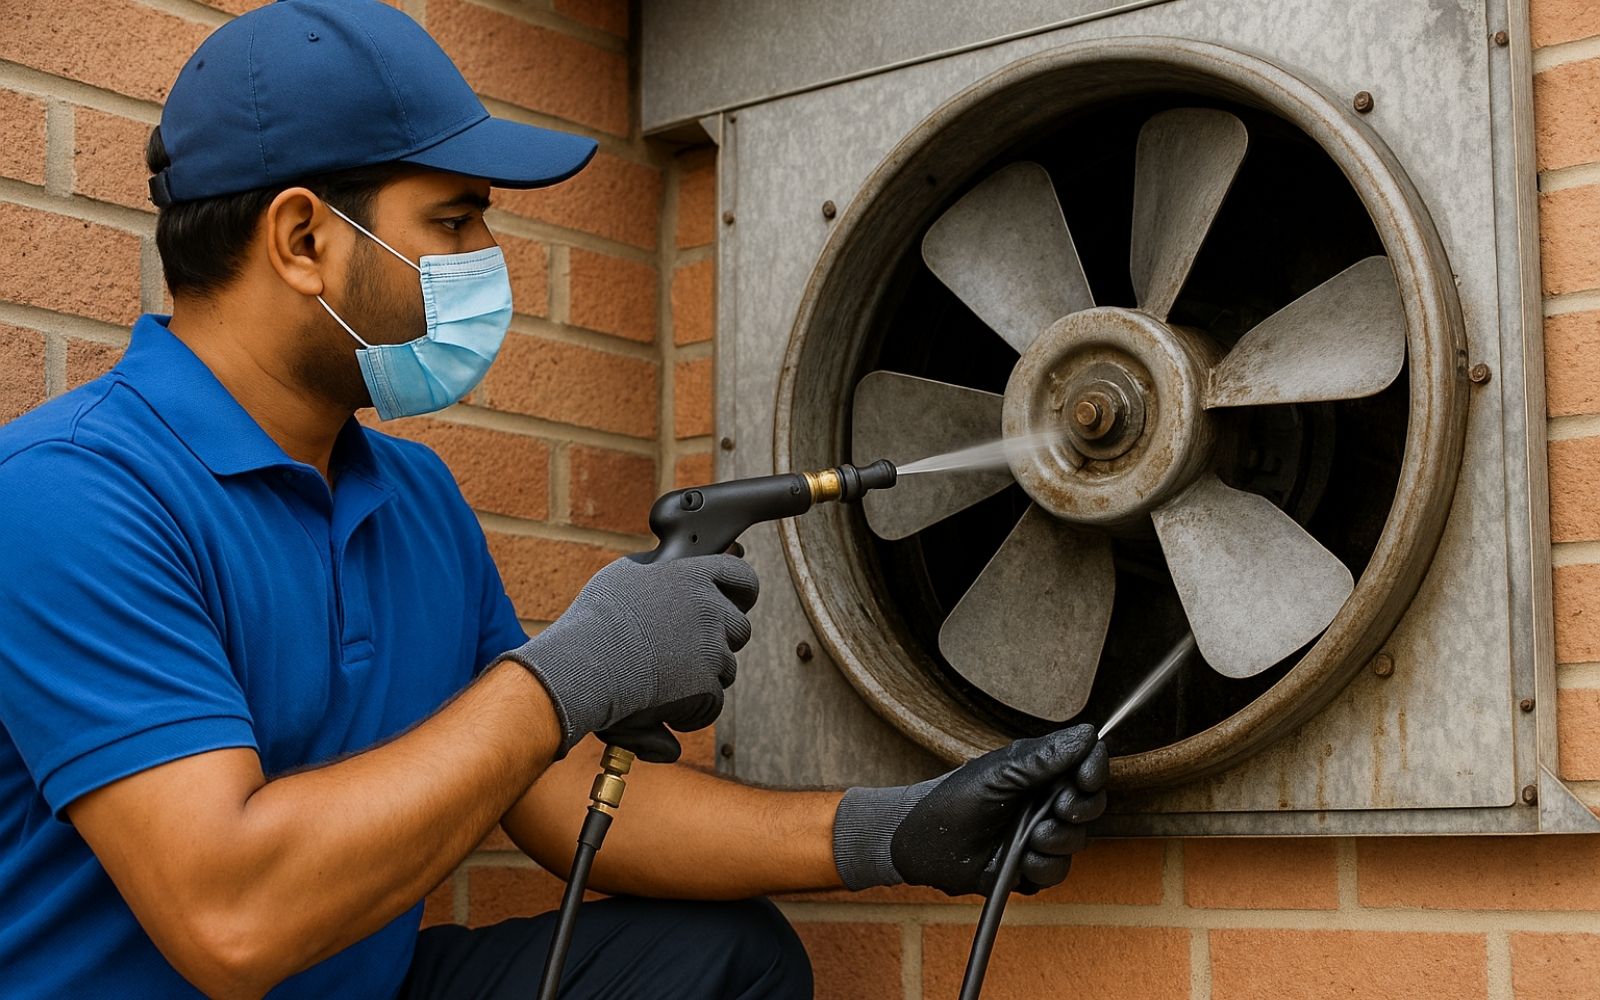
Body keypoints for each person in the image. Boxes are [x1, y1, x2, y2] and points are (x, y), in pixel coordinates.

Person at [0, 3, 1108, 998]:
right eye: (454, 220)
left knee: (720, 958)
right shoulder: (72, 496)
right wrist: (570, 672)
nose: (489, 257)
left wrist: (890, 831)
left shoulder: (413, 495)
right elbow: (231, 919)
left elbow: (559, 792)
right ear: (303, 240)